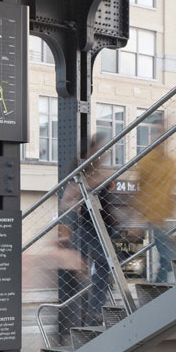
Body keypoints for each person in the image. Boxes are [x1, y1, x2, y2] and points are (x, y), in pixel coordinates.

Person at [60, 133, 117, 327]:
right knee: (96, 266)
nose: (104, 154)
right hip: (89, 226)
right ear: (91, 151)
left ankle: (93, 311)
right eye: (101, 150)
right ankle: (91, 312)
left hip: (106, 227)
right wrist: (80, 199)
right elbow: (66, 201)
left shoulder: (103, 173)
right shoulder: (84, 173)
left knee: (101, 269)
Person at [132, 137, 176, 283]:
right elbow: (139, 188)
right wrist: (140, 215)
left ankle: (158, 289)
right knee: (170, 258)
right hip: (153, 215)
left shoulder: (170, 163)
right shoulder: (147, 161)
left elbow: (172, 189)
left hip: (165, 216)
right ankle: (158, 290)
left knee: (168, 259)